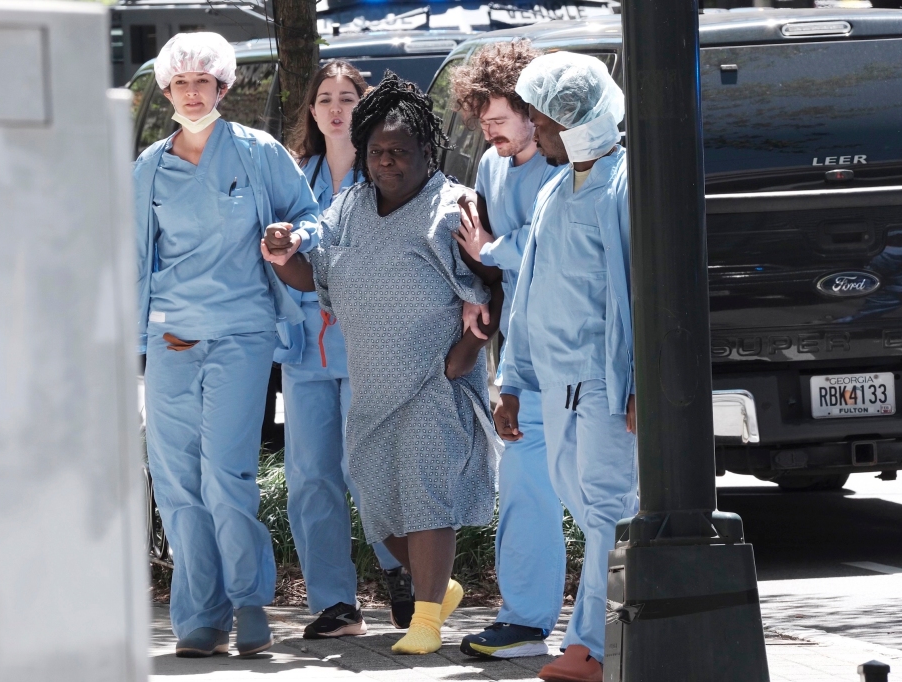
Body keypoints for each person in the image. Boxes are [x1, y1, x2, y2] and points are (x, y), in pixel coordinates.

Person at [262, 72, 503, 655]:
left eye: (400, 151)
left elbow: (491, 290)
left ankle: (425, 620)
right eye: (377, 152)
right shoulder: (349, 207)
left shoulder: (455, 207)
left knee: (425, 496)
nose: (388, 161)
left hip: (431, 379)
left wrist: (461, 359)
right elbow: (313, 276)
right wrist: (279, 256)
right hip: (371, 383)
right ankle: (435, 587)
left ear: (428, 152)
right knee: (377, 507)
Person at [134, 32, 319, 658]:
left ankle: (246, 602)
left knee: (226, 474)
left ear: (223, 86)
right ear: (166, 91)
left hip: (241, 334)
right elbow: (134, 259)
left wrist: (291, 234)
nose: (192, 92)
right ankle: (199, 615)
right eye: (180, 83)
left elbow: (312, 217)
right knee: (176, 481)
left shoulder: (257, 152)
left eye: (203, 82)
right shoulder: (150, 167)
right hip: (170, 339)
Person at [495, 51, 638, 682]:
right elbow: (529, 297)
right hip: (557, 384)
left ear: (576, 122)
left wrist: (641, 385)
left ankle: (594, 647)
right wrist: (513, 382)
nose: (535, 128)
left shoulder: (623, 188)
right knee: (587, 510)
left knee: (608, 510)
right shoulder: (557, 187)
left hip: (605, 385)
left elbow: (640, 295)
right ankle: (608, 638)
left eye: (543, 118)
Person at [277, 60, 415, 638]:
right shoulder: (291, 176)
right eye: (325, 98)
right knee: (310, 476)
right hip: (305, 348)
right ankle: (337, 604)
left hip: (369, 344)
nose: (337, 108)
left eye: (349, 98)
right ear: (311, 110)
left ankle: (406, 581)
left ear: (366, 109)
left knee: (371, 469)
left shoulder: (386, 170)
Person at [446, 40, 572, 660]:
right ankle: (525, 621)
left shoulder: (565, 164)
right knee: (523, 485)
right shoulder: (494, 166)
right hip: (522, 358)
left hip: (575, 355)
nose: (489, 133)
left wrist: (494, 251)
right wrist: (478, 289)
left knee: (594, 499)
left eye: (498, 120)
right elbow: (485, 254)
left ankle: (601, 634)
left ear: (532, 109)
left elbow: (558, 260)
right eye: (483, 122)